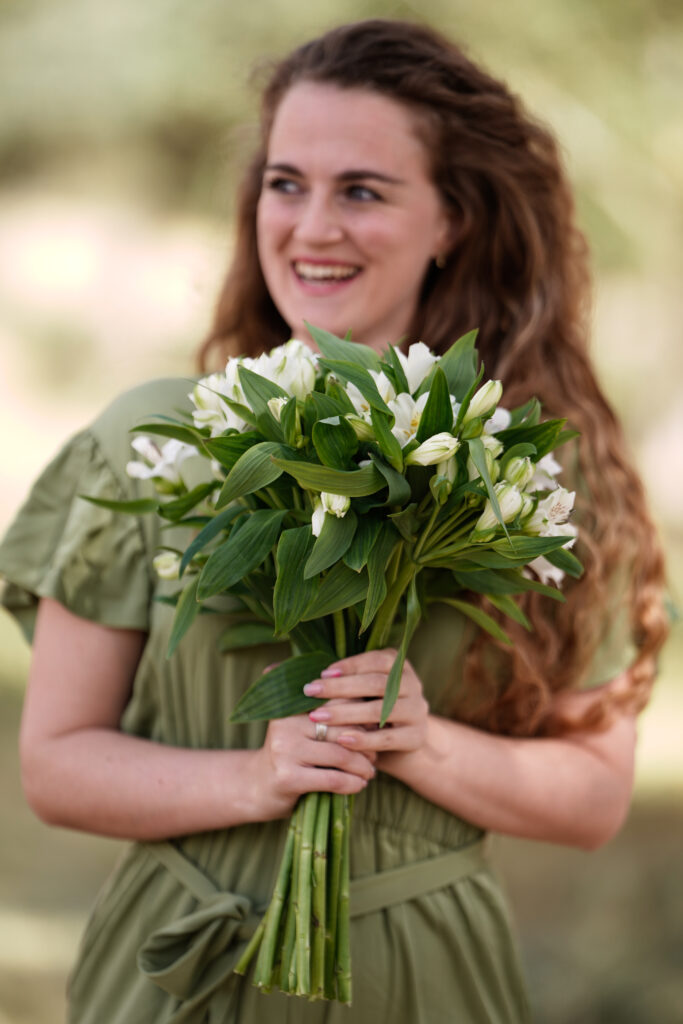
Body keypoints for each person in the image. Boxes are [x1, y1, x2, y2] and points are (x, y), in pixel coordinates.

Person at [0, 18, 669, 1024]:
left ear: (451, 221)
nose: (311, 226)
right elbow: (56, 763)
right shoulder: (150, 442)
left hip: (423, 973)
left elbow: (592, 797)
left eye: (360, 190)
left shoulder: (531, 467)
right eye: (285, 183)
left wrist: (420, 740)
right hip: (184, 968)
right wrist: (257, 776)